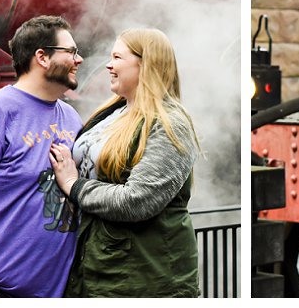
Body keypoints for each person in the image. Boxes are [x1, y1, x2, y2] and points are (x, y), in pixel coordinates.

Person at [47, 28, 201, 297]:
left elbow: (137, 200)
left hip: (146, 279)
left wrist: (74, 185)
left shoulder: (170, 124)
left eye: (117, 57)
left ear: (146, 64)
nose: (108, 65)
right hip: (100, 268)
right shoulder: (114, 111)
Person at [0, 15, 85, 298]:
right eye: (70, 52)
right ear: (42, 57)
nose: (79, 59)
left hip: (56, 293)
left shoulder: (70, 117)